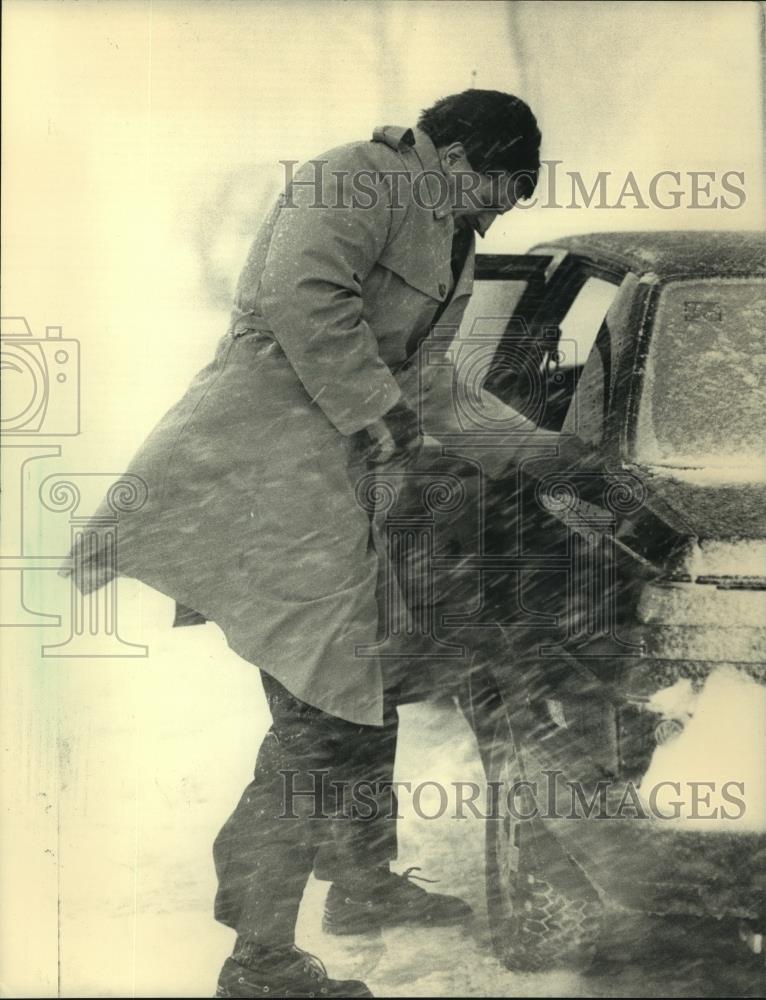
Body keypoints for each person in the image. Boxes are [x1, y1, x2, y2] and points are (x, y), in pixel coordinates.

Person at [65, 90, 543, 998]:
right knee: (321, 715)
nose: (497, 212)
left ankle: (362, 888)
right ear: (457, 158)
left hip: (335, 494)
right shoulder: (355, 179)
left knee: (371, 680)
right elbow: (302, 295)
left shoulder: (452, 239)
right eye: (499, 190)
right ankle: (260, 958)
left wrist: (554, 456)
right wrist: (381, 420)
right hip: (261, 481)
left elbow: (431, 381)